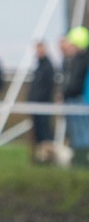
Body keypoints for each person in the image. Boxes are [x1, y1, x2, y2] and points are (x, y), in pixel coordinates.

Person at [60, 26, 89, 166]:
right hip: (75, 99)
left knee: (82, 132)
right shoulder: (74, 60)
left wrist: (67, 93)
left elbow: (76, 83)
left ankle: (81, 162)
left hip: (80, 100)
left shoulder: (81, 61)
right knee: (76, 133)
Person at [28, 40, 56, 162]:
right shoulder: (39, 65)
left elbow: (47, 87)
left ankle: (47, 158)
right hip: (36, 105)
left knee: (45, 133)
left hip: (43, 105)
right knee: (39, 132)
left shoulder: (48, 66)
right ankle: (41, 157)